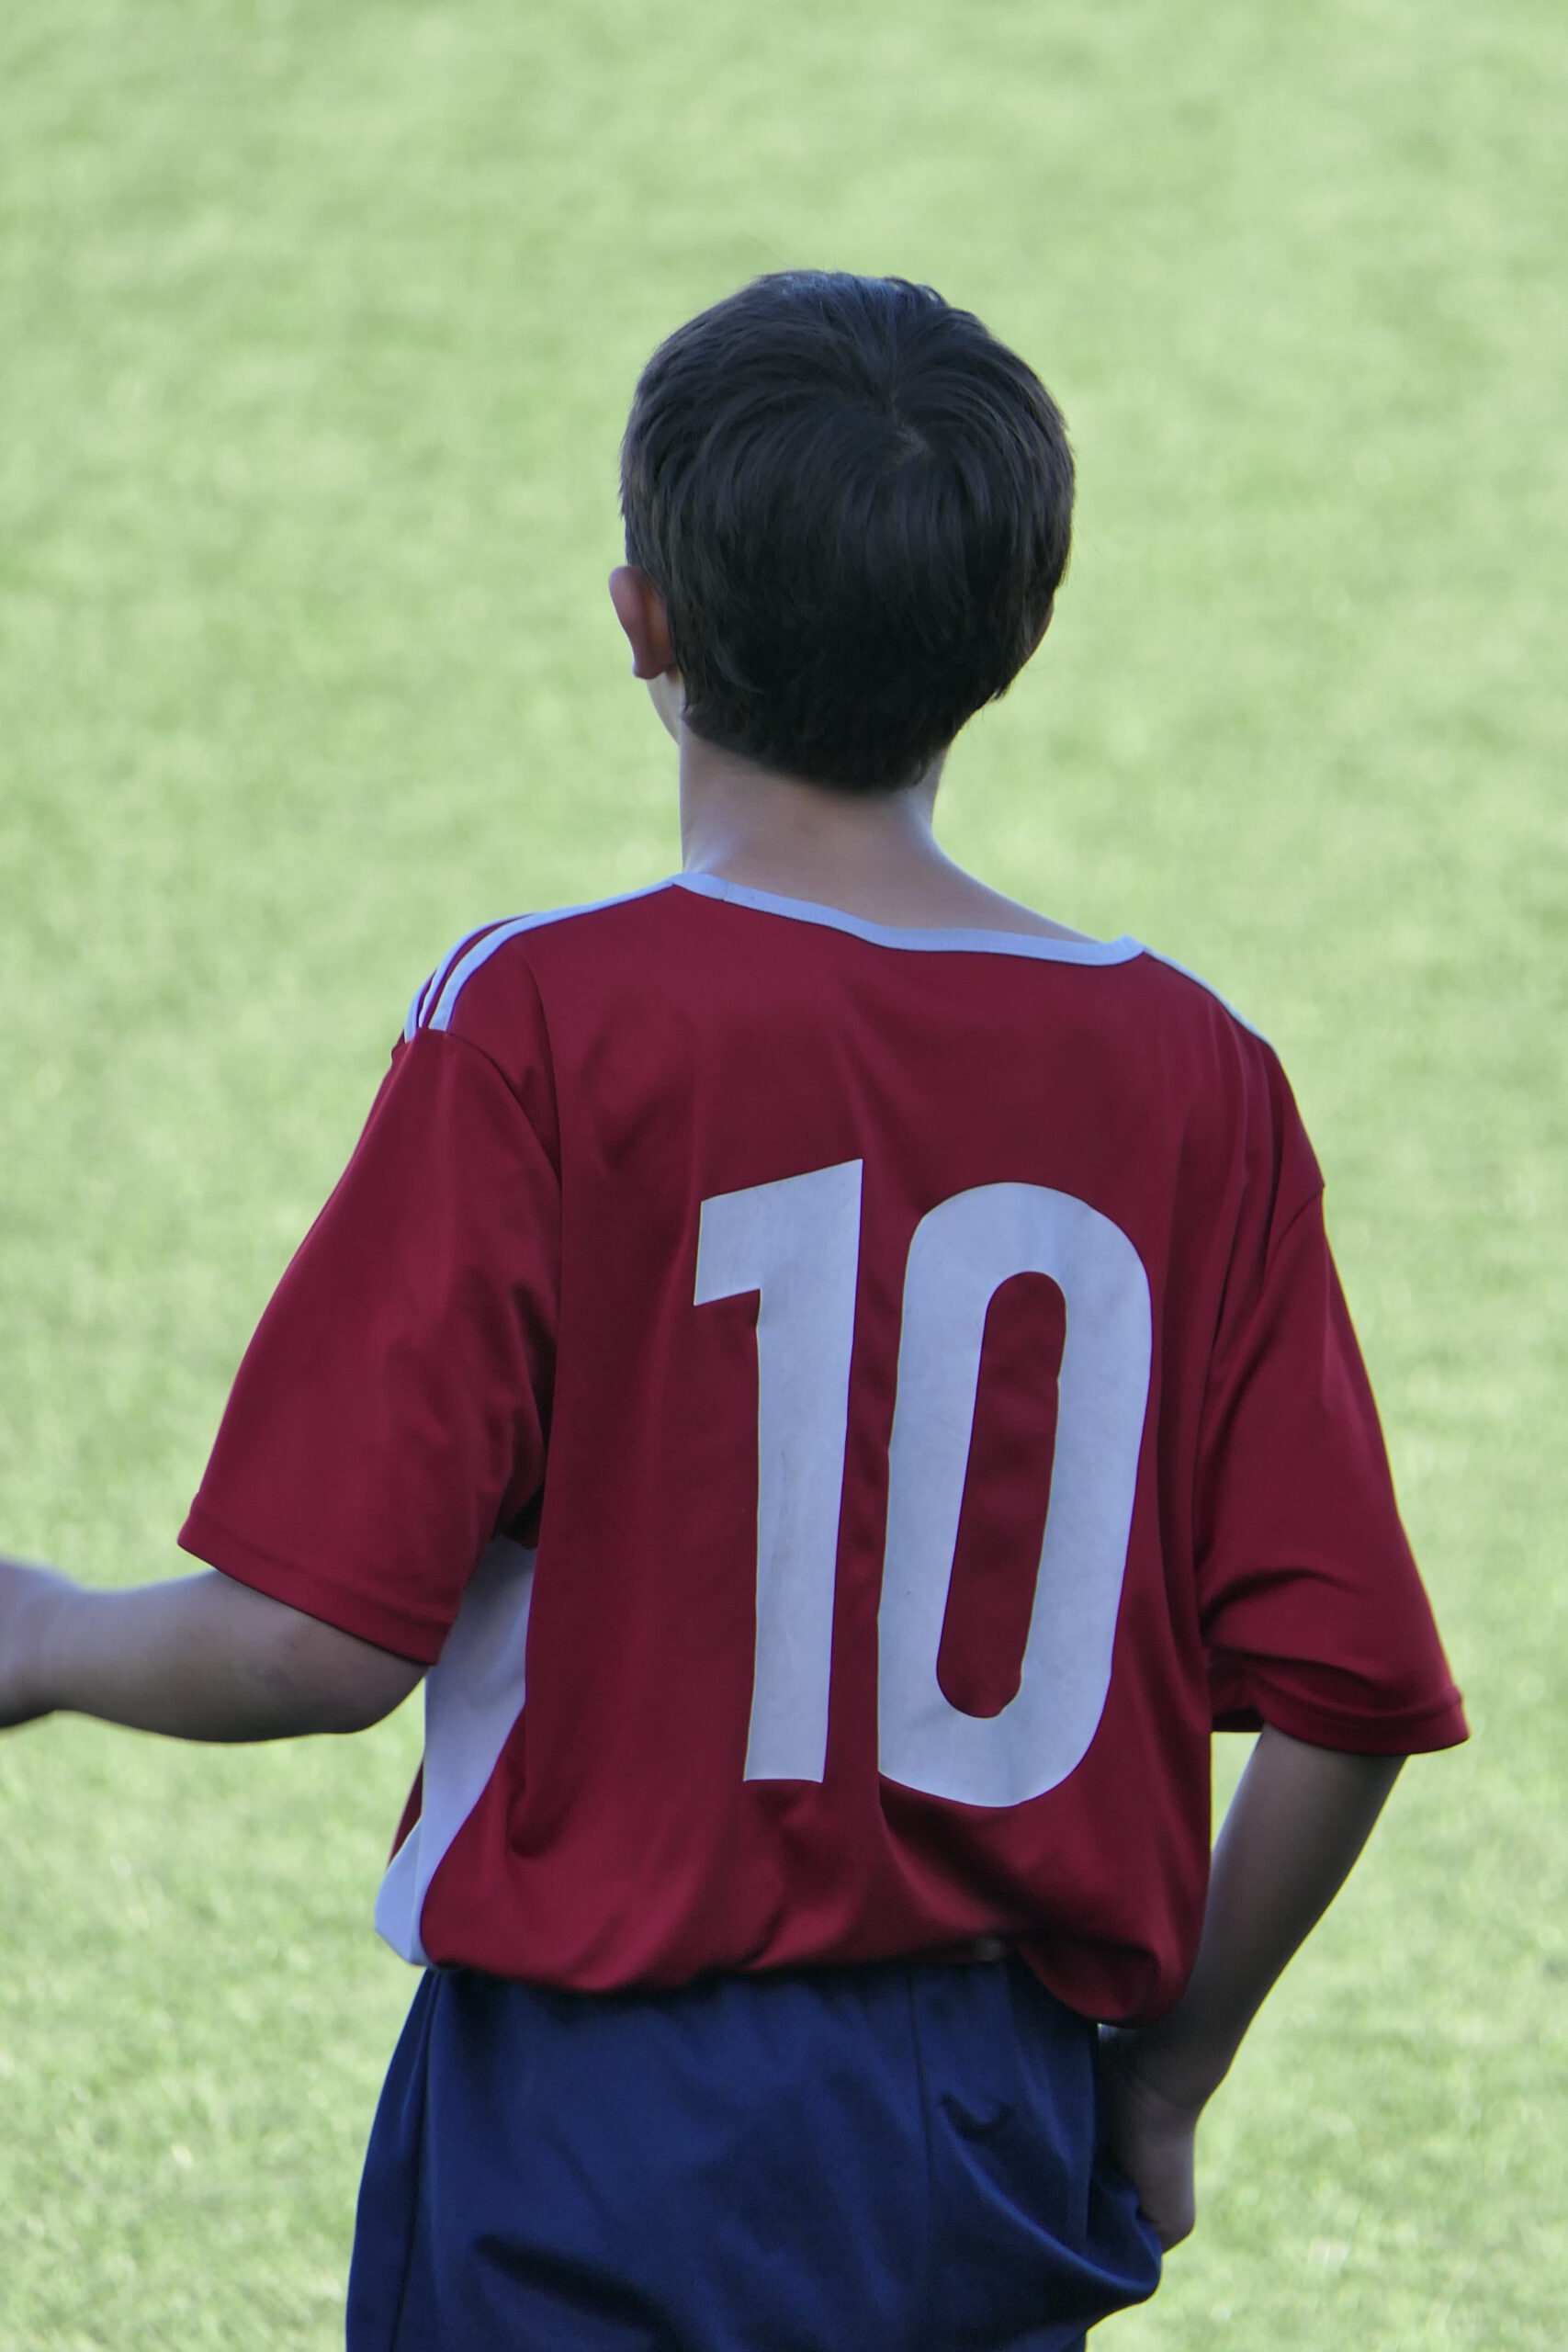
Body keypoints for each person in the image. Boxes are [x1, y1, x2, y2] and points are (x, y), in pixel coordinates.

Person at [0, 272, 1466, 2352]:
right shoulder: (1198, 1074)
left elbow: (314, 1643)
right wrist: (1166, 2075)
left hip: (600, 2129)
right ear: (1015, 633)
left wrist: (47, 1633)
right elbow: (1348, 1690)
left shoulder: (542, 1018)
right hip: (987, 2125)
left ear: (644, 621)